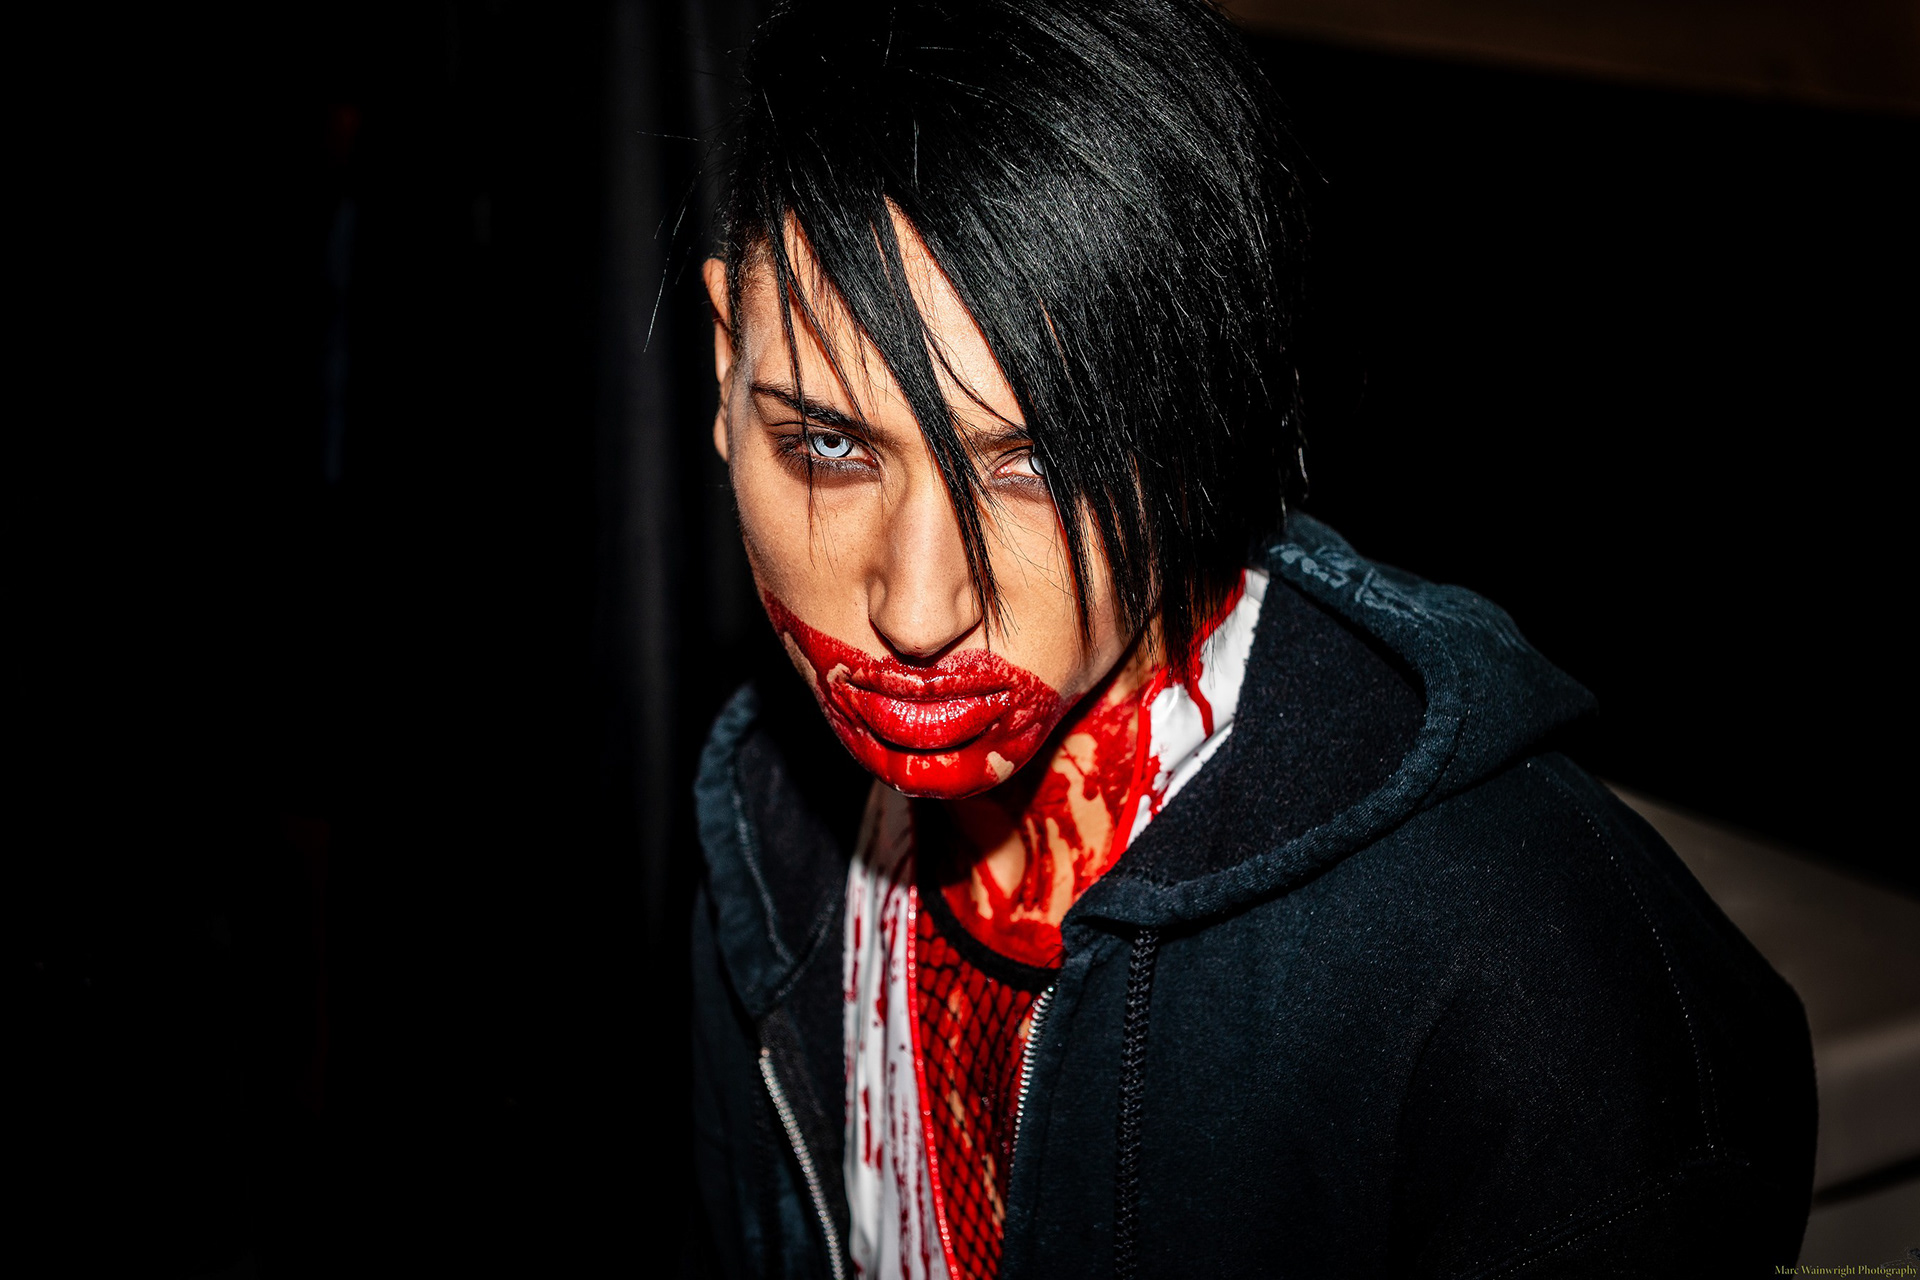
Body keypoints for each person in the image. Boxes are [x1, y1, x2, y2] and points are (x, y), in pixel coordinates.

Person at [685, 1, 1816, 1276]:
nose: (918, 606)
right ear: (726, 366)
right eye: (829, 444)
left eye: (1042, 463)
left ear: (1197, 429)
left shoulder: (1523, 962)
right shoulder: (773, 816)